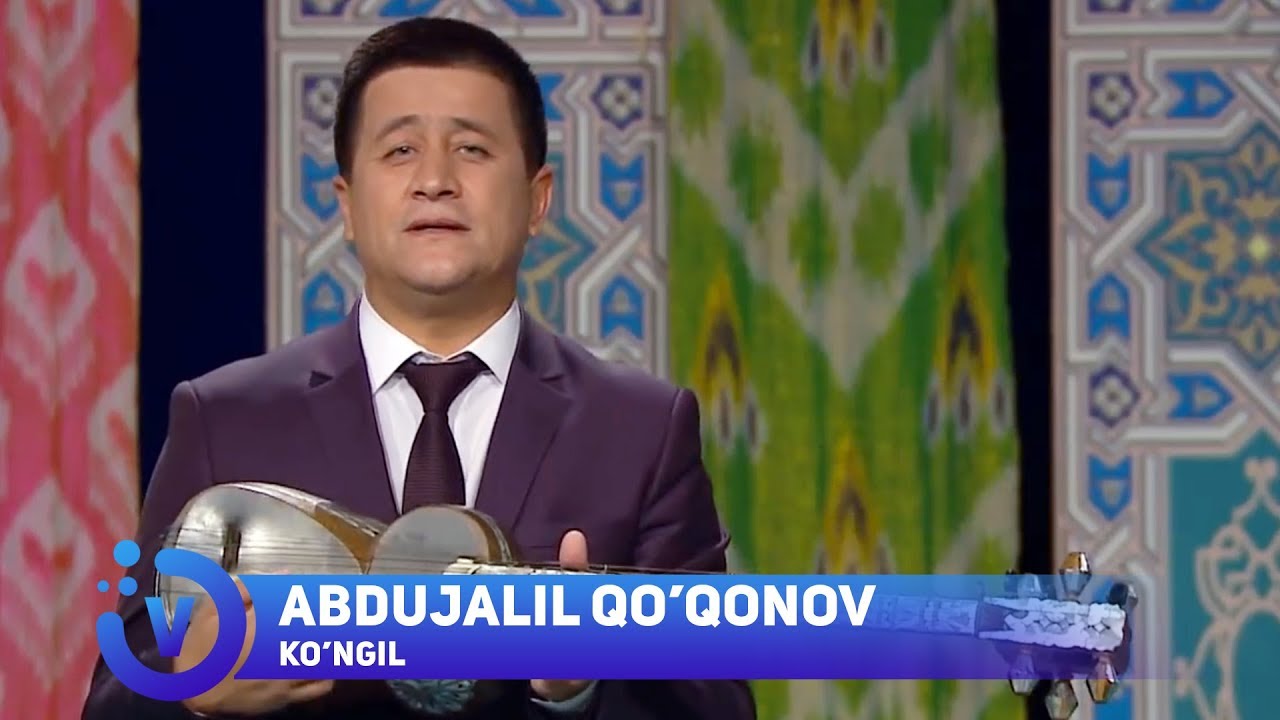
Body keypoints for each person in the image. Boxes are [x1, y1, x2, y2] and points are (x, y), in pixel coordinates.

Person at [80, 15, 755, 720]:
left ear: (538, 199)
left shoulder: (641, 429)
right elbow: (113, 702)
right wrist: (192, 694)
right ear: (346, 204)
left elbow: (717, 705)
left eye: (472, 149)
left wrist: (578, 688)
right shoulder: (225, 419)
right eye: (400, 150)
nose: (435, 180)